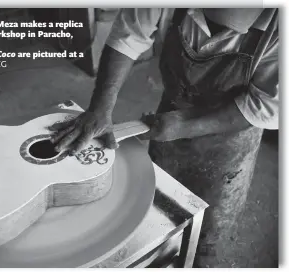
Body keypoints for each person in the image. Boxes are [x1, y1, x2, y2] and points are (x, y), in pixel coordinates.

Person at [50, 8, 279, 267]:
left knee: (207, 227)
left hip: (230, 142)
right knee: (157, 205)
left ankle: (199, 254)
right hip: (172, 113)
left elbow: (268, 106)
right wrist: (100, 108)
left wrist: (185, 125)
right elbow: (129, 35)